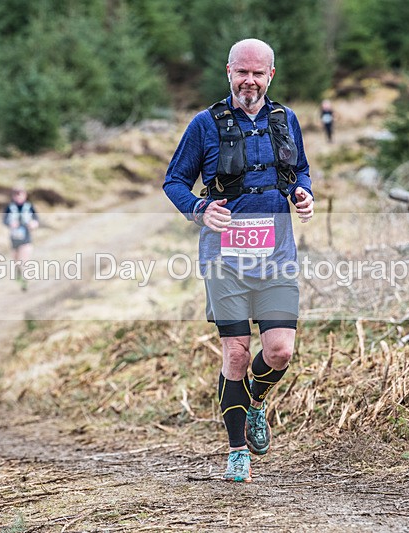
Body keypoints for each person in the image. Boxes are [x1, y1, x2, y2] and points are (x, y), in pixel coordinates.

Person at [164, 38, 314, 482]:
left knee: (280, 350)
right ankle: (237, 453)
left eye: (258, 73)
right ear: (228, 71)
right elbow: (174, 181)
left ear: (271, 75)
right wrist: (198, 209)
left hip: (277, 255)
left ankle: (254, 402)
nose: (249, 81)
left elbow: (300, 169)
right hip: (224, 259)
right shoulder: (204, 125)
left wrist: (302, 193)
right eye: (242, 72)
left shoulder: (286, 121)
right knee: (235, 353)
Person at [3, 185, 39, 291]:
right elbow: (4, 220)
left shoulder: (29, 207)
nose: (18, 197)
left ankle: (25, 281)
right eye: (16, 195)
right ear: (13, 196)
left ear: (25, 195)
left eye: (21, 194)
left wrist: (34, 224)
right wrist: (10, 223)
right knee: (16, 261)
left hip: (26, 238)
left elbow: (36, 219)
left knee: (24, 259)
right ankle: (19, 275)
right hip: (14, 238)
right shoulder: (9, 207)